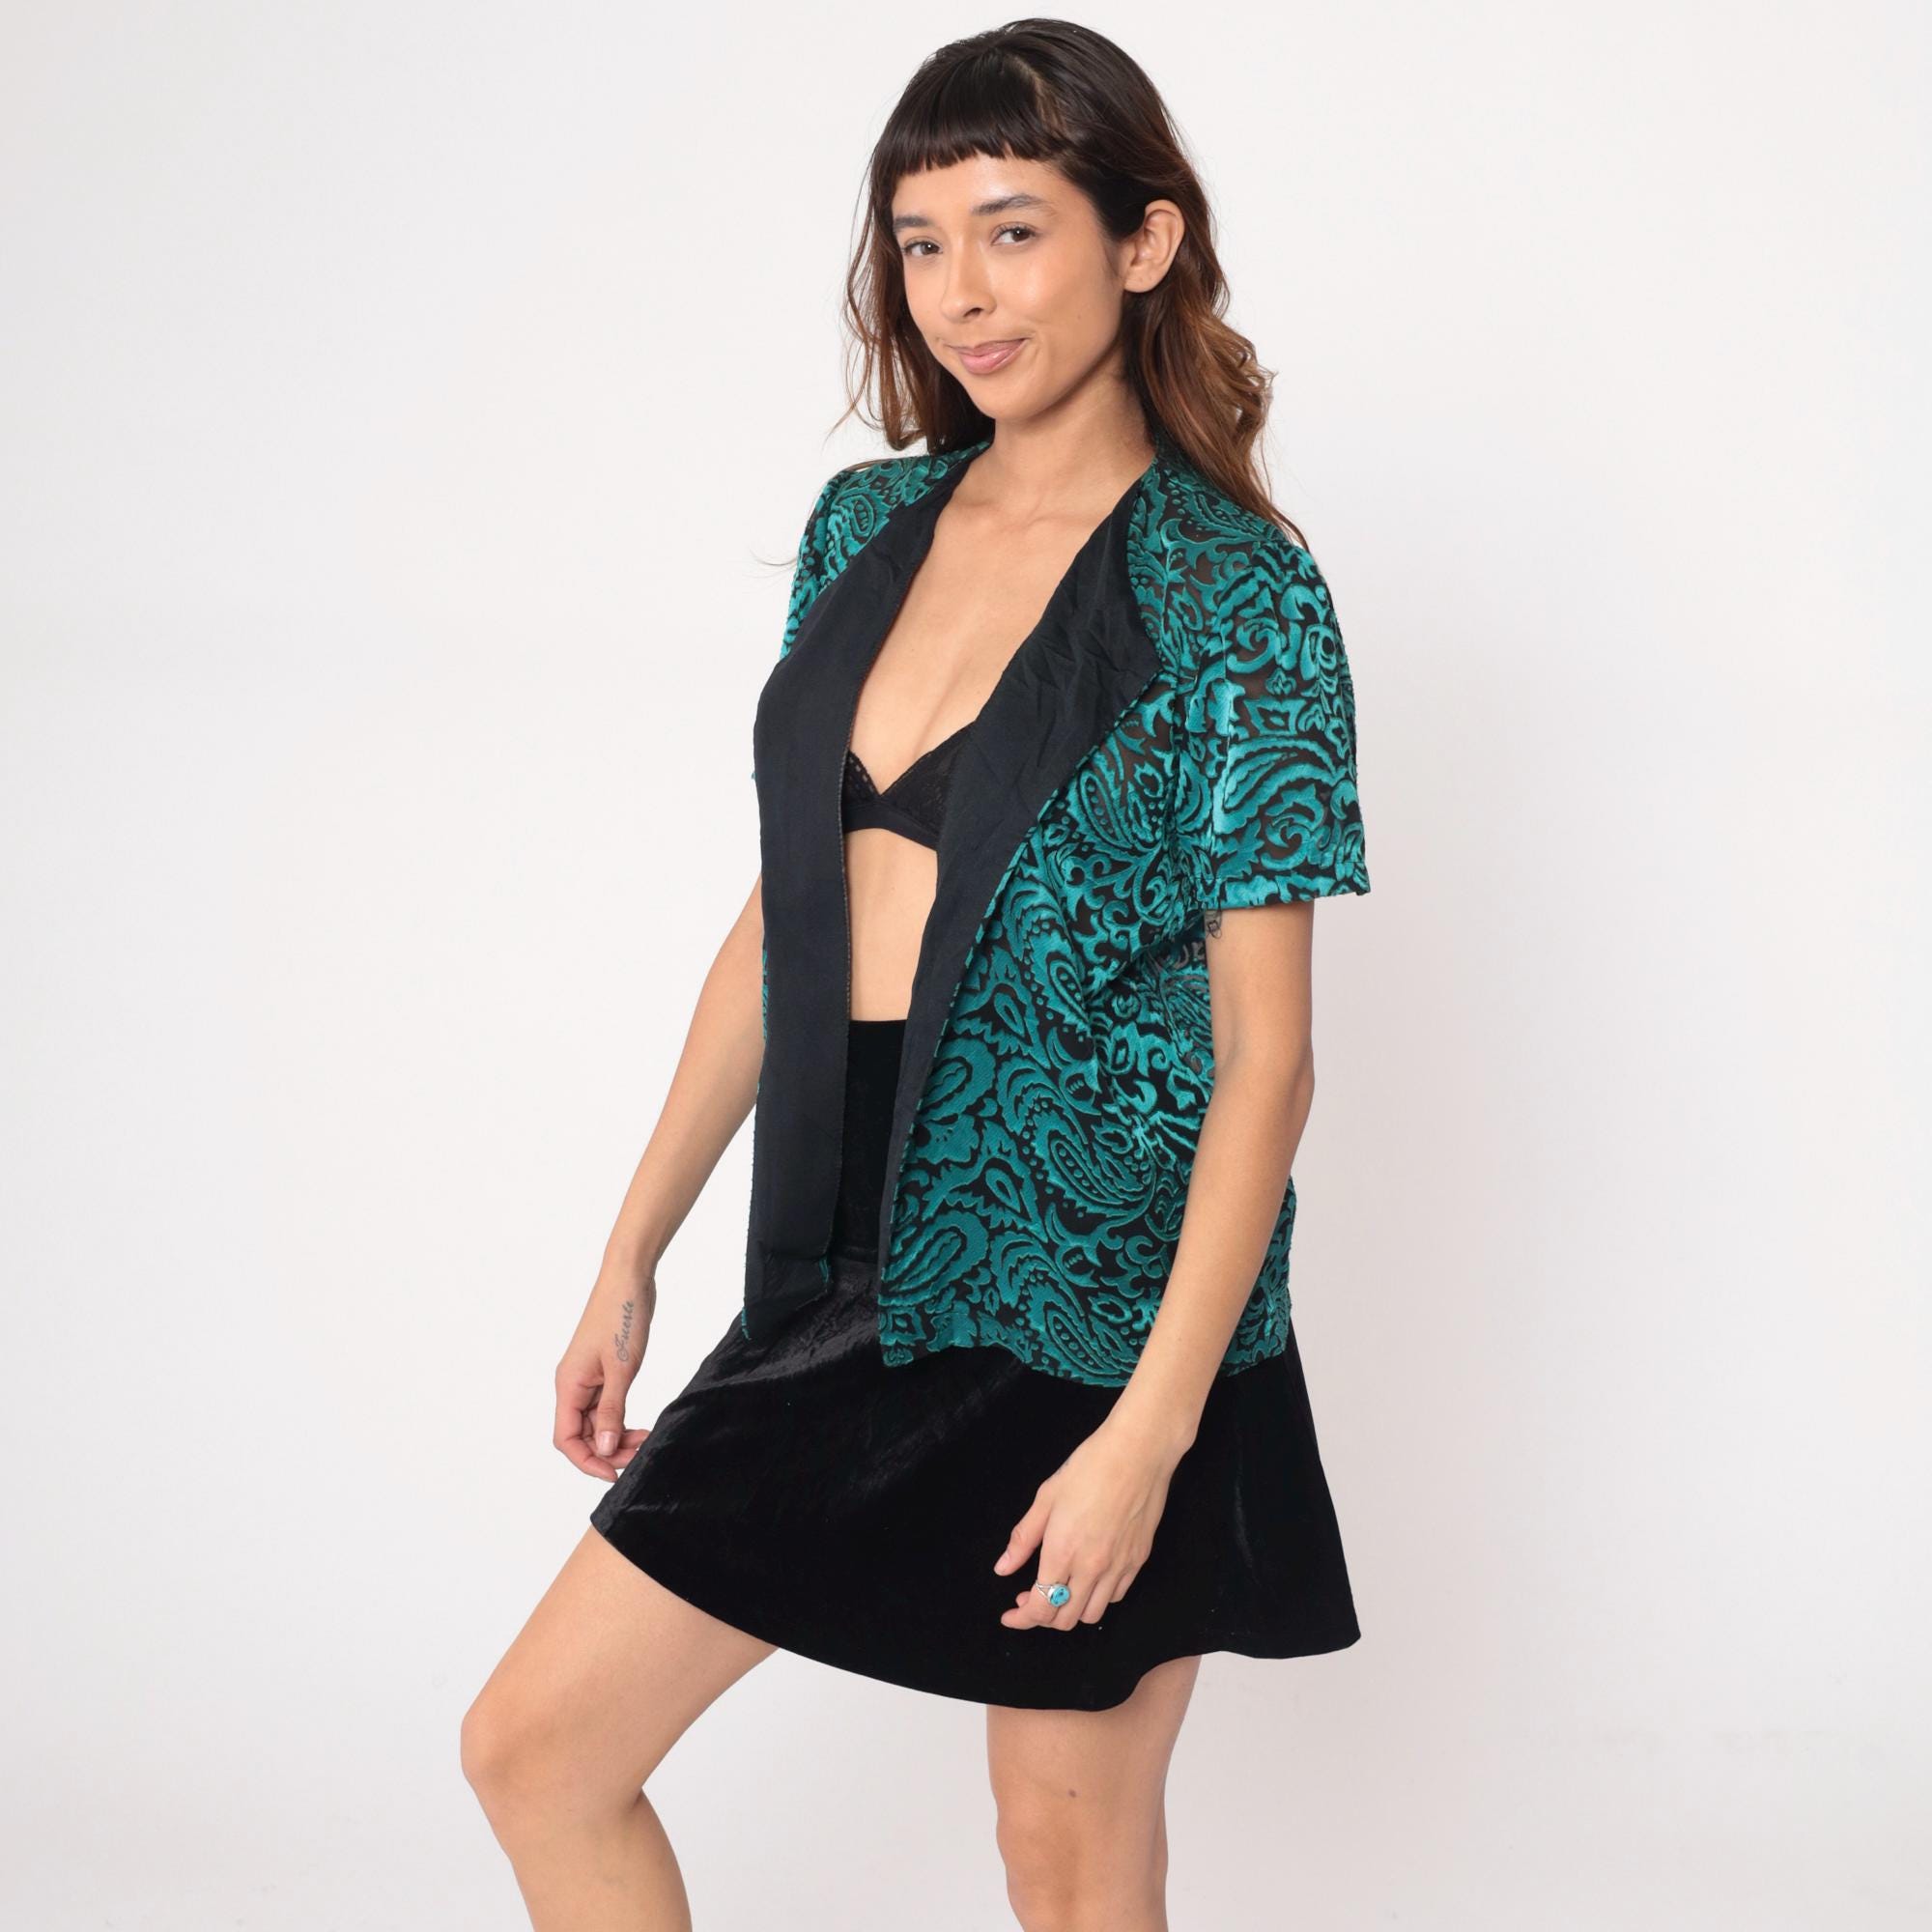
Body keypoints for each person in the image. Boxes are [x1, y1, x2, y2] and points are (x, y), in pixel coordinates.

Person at [463, 20, 1372, 1928]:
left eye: (1012, 231)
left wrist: (1149, 1433)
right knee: (537, 1749)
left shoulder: (1239, 590)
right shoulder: (862, 530)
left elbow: (1268, 1063)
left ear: (1142, 242)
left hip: (1091, 1296)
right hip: (838, 1257)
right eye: (923, 241)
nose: (960, 291)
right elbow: (787, 920)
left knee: (1064, 1847)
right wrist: (632, 1250)